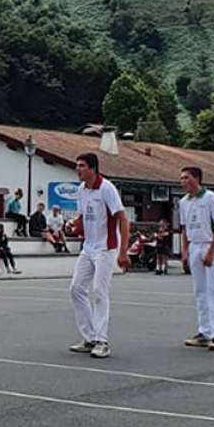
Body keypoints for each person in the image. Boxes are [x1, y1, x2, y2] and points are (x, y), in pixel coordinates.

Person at [68, 153, 131, 359]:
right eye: (77, 166)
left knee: (99, 291)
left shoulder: (107, 189)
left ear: (93, 169)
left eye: (82, 166)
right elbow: (82, 216)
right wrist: (75, 224)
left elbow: (123, 219)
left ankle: (102, 340)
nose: (78, 170)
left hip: (106, 248)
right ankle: (89, 337)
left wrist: (123, 251)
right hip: (88, 248)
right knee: (76, 288)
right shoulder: (81, 189)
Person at [178, 166, 214, 351]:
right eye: (181, 178)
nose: (183, 182)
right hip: (194, 245)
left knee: (213, 290)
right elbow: (184, 228)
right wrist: (185, 251)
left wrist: (211, 251)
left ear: (196, 179)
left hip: (208, 244)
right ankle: (204, 331)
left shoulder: (211, 198)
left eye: (186, 178)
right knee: (199, 291)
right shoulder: (184, 202)